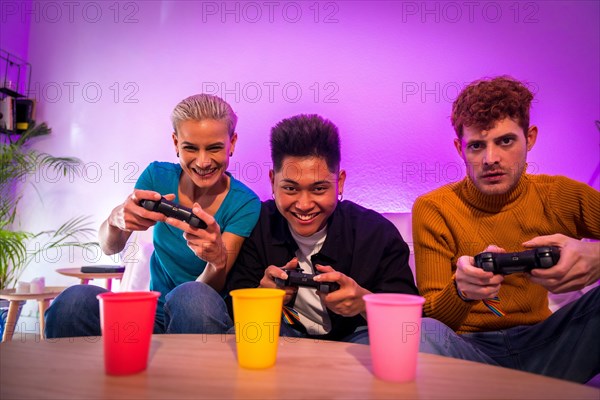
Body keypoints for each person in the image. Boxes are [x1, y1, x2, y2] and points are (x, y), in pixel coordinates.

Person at [412, 76, 600, 383]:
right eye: (476, 146)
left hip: (549, 344)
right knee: (421, 331)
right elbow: (433, 322)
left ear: (530, 137)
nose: (491, 159)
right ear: (460, 148)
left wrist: (596, 255)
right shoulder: (434, 208)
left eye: (505, 141)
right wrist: (460, 292)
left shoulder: (562, 195)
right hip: (470, 353)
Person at [45, 94, 261, 336]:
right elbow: (110, 247)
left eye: (214, 148)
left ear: (231, 143)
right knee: (74, 300)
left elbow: (213, 286)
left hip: (200, 313)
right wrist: (116, 221)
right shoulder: (157, 176)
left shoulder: (245, 203)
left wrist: (217, 261)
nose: (203, 162)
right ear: (175, 143)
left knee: (192, 296)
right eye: (190, 148)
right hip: (150, 315)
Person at [193, 114, 419, 342]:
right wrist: (260, 299)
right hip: (281, 339)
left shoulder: (376, 233)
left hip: (356, 344)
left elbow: (411, 322)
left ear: (339, 182)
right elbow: (231, 312)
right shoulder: (256, 224)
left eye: (319, 189)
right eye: (290, 189)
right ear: (272, 181)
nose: (304, 205)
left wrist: (363, 302)